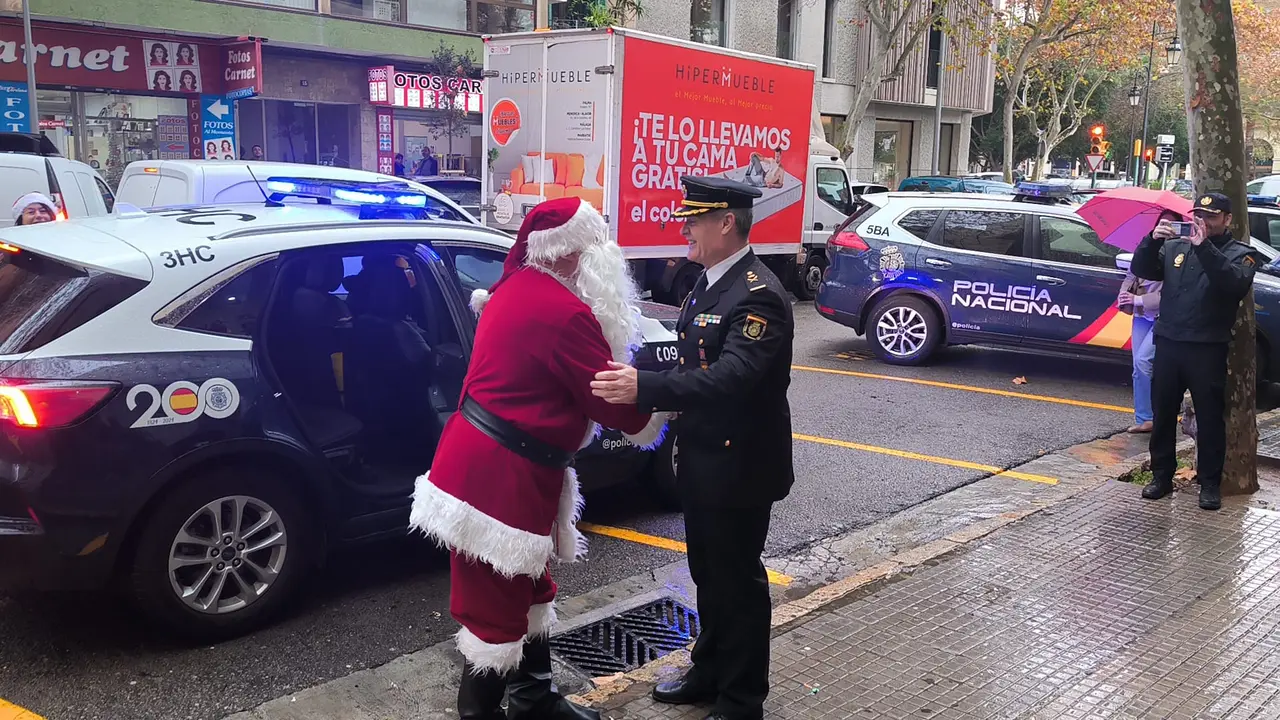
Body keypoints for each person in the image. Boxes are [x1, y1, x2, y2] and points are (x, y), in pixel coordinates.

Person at [408, 197, 669, 720]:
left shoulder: (516, 289)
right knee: (493, 613)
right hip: (498, 478)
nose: (603, 254)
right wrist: (670, 400)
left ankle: (534, 700)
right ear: (571, 252)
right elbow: (612, 403)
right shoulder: (564, 311)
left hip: (493, 467)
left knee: (527, 587)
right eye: (595, 244)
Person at [591, 175, 795, 720]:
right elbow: (692, 364)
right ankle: (710, 672)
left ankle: (742, 697)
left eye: (695, 220)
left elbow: (731, 378)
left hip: (741, 465)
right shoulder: (707, 281)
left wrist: (647, 387)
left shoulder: (758, 295)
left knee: (738, 582)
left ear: (726, 223)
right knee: (708, 574)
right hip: (704, 459)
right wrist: (642, 379)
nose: (685, 228)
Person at [1131, 192, 1259, 511]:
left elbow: (1233, 285)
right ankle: (1162, 476)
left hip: (1207, 348)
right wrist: (1152, 240)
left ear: (1227, 219)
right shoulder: (1177, 246)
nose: (1203, 222)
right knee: (1163, 416)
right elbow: (1143, 269)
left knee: (1210, 419)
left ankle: (1210, 483)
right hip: (1171, 344)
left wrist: (1204, 248)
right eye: (1198, 215)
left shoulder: (1241, 254)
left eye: (1211, 217)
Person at [1117, 212, 1171, 434]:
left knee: (1143, 361)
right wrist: (1125, 296)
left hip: (1163, 317)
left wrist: (1139, 299)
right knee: (1139, 368)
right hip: (1141, 316)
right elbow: (1131, 275)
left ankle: (1154, 416)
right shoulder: (1146, 246)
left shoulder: (1180, 252)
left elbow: (1172, 294)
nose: (1166, 227)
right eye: (1162, 223)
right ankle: (1144, 418)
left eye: (1171, 223)